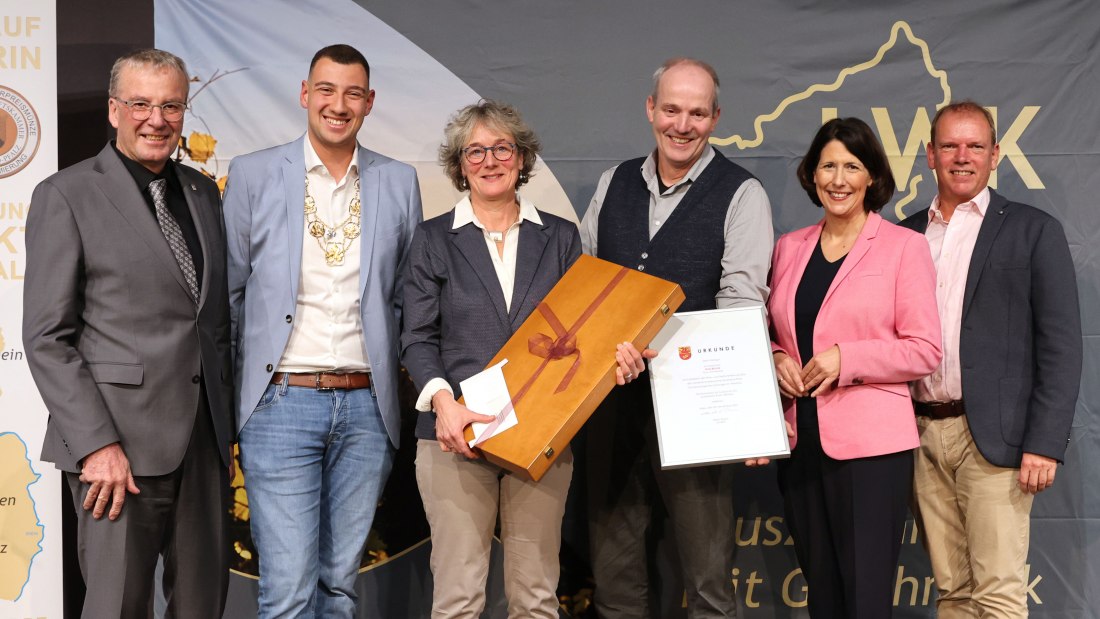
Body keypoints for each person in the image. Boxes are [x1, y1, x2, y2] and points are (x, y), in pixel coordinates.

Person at [401, 100, 647, 619]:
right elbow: (417, 339)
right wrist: (445, 405)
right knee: (458, 600)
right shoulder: (431, 240)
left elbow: (582, 334)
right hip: (455, 435)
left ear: (521, 156)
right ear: (459, 164)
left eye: (502, 149)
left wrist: (618, 357)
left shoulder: (559, 236)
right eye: (476, 152)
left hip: (541, 435)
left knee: (535, 599)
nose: (490, 161)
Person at [23, 48, 233, 617]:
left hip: (203, 445)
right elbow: (47, 338)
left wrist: (227, 433)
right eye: (140, 104)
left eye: (170, 106)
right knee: (118, 605)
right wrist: (96, 446)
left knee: (202, 605)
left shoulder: (201, 192)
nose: (156, 119)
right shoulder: (65, 194)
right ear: (114, 110)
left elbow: (211, 324)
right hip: (115, 453)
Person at [222, 44, 422, 617]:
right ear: (305, 94)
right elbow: (231, 296)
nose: (339, 105)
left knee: (339, 588)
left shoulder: (398, 180)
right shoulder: (255, 174)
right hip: (280, 403)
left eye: (353, 93)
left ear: (370, 102)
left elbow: (407, 296)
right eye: (327, 90)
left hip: (366, 410)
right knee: (287, 592)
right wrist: (243, 404)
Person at [579, 57, 774, 618]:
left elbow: (741, 309)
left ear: (715, 118)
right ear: (650, 109)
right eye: (671, 109)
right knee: (614, 582)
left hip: (698, 408)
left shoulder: (742, 194)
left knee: (709, 583)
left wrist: (659, 348)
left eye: (696, 113)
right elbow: (585, 284)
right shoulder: (615, 182)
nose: (681, 125)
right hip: (609, 403)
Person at [900, 101, 1082, 617]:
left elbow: (1061, 345)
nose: (962, 157)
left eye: (975, 146)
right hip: (918, 435)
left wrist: (1044, 443)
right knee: (951, 593)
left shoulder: (1033, 230)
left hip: (996, 440)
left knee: (998, 594)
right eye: (950, 146)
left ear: (995, 154)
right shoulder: (904, 235)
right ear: (930, 154)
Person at [762, 116, 941, 617]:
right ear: (812, 175)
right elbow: (778, 330)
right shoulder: (789, 248)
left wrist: (848, 359)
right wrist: (776, 358)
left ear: (872, 177)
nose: (838, 179)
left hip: (870, 455)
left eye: (852, 166)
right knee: (823, 595)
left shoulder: (904, 247)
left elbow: (925, 348)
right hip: (801, 445)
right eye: (828, 166)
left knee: (864, 599)